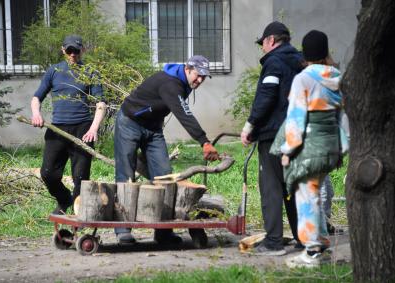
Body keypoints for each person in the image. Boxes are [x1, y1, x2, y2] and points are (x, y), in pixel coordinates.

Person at [113, 55, 220, 245]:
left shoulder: (185, 83)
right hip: (130, 122)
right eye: (198, 75)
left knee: (164, 176)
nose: (200, 80)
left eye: (204, 77)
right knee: (126, 174)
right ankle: (123, 229)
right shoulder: (170, 83)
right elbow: (183, 113)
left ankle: (163, 232)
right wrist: (204, 141)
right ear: (188, 68)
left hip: (153, 128)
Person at [271, 30, 344, 268]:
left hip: (309, 148)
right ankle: (321, 246)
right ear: (325, 52)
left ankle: (312, 252)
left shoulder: (304, 79)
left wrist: (287, 150)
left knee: (307, 198)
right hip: (331, 147)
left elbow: (295, 118)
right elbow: (342, 116)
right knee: (317, 193)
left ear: (305, 54)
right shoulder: (337, 76)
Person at [240, 21, 304, 255]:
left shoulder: (274, 63)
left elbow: (266, 97)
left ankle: (274, 243)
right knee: (295, 187)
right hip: (299, 134)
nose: (262, 50)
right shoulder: (301, 62)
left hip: (275, 136)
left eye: (262, 45)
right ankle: (305, 240)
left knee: (272, 188)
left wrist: (250, 127)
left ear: (270, 41)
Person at [31, 35, 106, 215]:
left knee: (80, 178)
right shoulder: (54, 70)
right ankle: (65, 199)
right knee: (48, 173)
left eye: (76, 51)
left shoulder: (90, 72)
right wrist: (36, 114)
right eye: (69, 50)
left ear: (83, 51)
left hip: (83, 129)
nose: (73, 54)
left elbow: (101, 104)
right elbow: (36, 98)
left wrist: (94, 128)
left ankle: (78, 215)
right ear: (63, 50)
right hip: (57, 130)